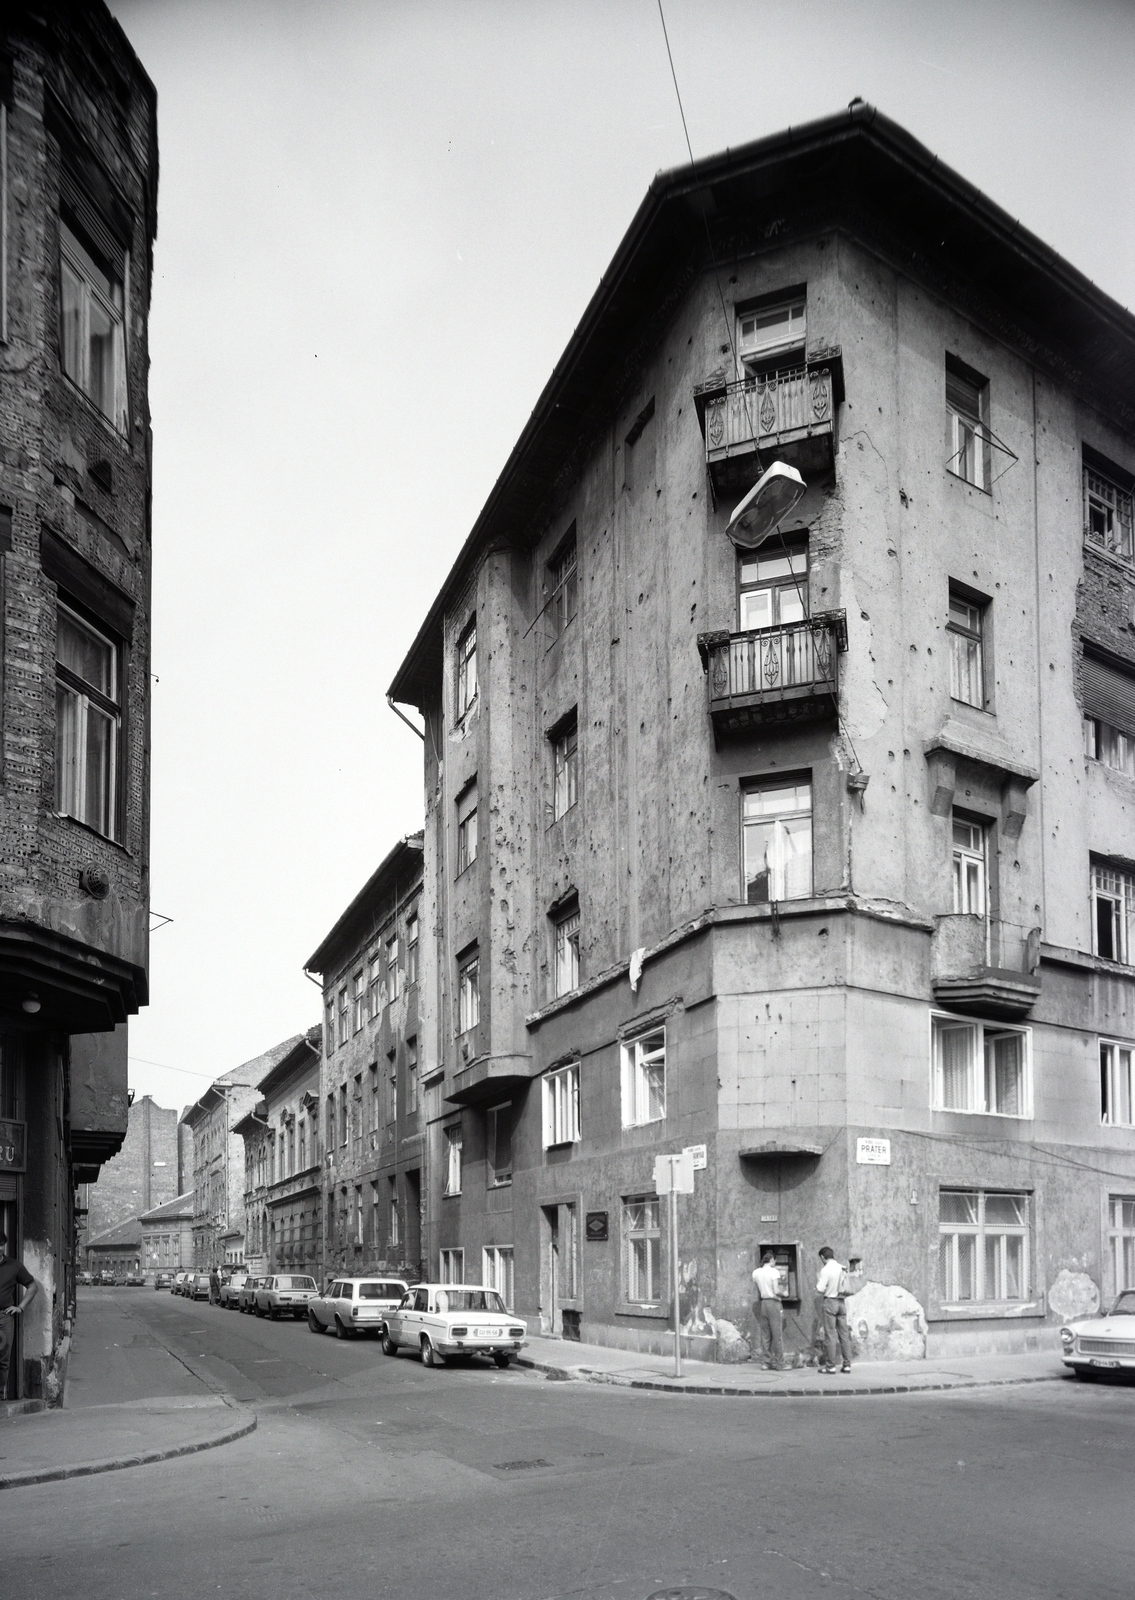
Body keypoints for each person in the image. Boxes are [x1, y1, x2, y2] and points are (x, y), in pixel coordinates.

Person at [0, 1228, 39, 1401]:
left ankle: (0, 1394)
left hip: (4, 1318)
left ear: (4, 1246)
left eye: (0, 1245)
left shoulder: (14, 1266)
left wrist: (20, 1307)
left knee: (3, 1358)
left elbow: (32, 1286)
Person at [816, 1245, 852, 1373]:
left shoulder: (826, 1269)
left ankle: (830, 1366)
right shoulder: (842, 1267)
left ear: (822, 1257)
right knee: (844, 1334)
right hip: (842, 1302)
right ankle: (847, 1365)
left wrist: (819, 1282)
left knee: (830, 1335)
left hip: (830, 1302)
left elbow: (820, 1289)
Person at [751, 1251, 785, 1370]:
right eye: (775, 1261)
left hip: (763, 1303)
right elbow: (776, 1290)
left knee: (765, 1335)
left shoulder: (756, 1273)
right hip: (774, 1303)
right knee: (777, 1334)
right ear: (772, 1260)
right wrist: (784, 1293)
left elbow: (759, 1289)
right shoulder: (774, 1271)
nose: (775, 1263)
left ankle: (766, 1362)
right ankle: (780, 1363)